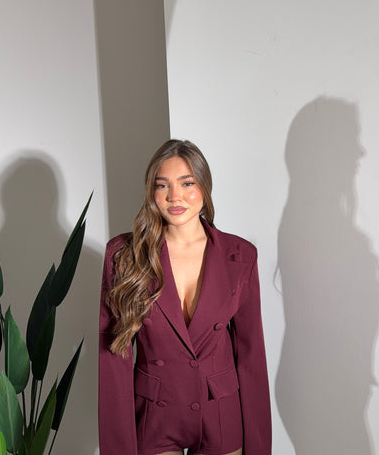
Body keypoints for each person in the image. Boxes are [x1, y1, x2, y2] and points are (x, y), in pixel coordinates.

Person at [99, 139, 271, 455]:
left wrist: (259, 448)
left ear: (204, 186)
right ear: (151, 192)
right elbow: (113, 359)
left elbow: (251, 357)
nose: (174, 196)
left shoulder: (240, 255)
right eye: (162, 185)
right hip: (156, 415)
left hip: (221, 412)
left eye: (187, 183)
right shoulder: (124, 255)